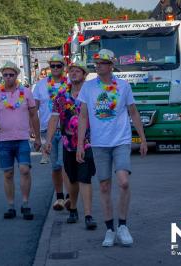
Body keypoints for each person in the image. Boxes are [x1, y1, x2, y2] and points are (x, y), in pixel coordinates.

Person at [76, 49, 148, 247]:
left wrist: (142, 139)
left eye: (102, 62)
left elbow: (133, 112)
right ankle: (110, 229)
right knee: (105, 186)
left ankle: (123, 225)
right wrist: (80, 144)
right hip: (99, 143)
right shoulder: (88, 87)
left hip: (121, 141)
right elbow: (83, 117)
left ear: (111, 65)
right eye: (96, 62)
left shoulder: (123, 86)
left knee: (123, 182)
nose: (97, 65)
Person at [0, 61, 41, 220]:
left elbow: (33, 115)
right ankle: (10, 205)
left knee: (25, 169)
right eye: (5, 75)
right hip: (3, 140)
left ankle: (25, 203)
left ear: (17, 75)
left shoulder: (26, 92)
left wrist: (37, 137)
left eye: (11, 74)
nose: (8, 77)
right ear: (2, 76)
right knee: (8, 173)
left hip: (22, 139)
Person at [45, 61, 97, 230]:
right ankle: (73, 209)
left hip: (88, 143)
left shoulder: (91, 92)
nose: (73, 73)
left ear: (84, 74)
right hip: (68, 144)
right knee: (73, 180)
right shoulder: (61, 94)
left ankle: (88, 215)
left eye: (77, 71)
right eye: (71, 71)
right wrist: (48, 140)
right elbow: (54, 118)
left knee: (85, 178)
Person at [33, 54, 70, 211]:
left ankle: (69, 197)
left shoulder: (69, 83)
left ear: (64, 67)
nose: (55, 69)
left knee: (65, 164)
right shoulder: (41, 85)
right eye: (52, 66)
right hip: (46, 129)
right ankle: (59, 197)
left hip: (66, 129)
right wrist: (32, 129)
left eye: (58, 66)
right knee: (55, 166)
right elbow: (33, 109)